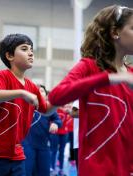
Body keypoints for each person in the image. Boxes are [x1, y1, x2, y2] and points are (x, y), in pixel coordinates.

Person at [48, 5, 133, 176]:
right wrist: (109, 78)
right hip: (96, 169)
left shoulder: (131, 74)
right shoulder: (89, 66)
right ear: (115, 32)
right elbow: (56, 95)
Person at [0, 34, 55, 176]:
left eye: (31, 50)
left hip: (16, 154)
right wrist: (20, 93)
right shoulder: (2, 76)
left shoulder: (32, 86)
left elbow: (47, 110)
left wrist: (64, 96)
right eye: (24, 49)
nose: (30, 53)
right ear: (10, 56)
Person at [22, 84, 62, 176]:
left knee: (44, 172)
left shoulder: (48, 108)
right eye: (36, 90)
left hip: (43, 146)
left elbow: (57, 120)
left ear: (46, 95)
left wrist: (55, 123)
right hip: (27, 145)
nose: (39, 92)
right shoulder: (25, 107)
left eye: (42, 91)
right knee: (27, 171)